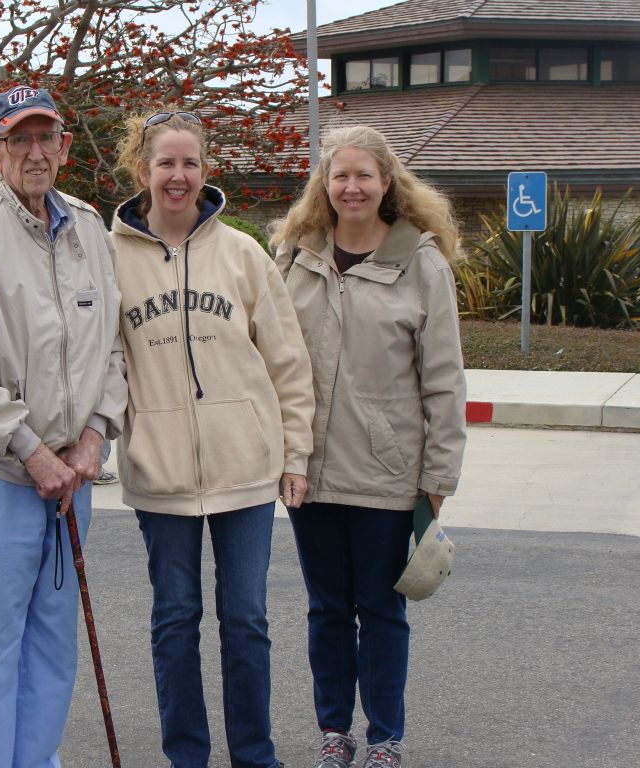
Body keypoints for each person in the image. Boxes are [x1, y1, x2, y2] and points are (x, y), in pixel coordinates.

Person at [0, 84, 127, 768]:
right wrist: (36, 454)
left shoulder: (91, 229)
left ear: (65, 147)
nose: (34, 152)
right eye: (19, 139)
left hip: (73, 482)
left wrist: (95, 434)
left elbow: (113, 352)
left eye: (47, 138)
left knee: (52, 654)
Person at [109, 110, 315, 768]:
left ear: (206, 169)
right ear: (142, 170)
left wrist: (295, 452)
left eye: (189, 163)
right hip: (161, 474)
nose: (178, 175)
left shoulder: (243, 255)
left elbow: (287, 362)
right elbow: (103, 361)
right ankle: (187, 757)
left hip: (245, 470)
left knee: (247, 622)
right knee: (175, 621)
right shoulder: (109, 258)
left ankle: (255, 756)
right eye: (165, 163)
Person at [268, 125, 467, 768]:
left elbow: (444, 381)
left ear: (387, 183)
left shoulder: (421, 262)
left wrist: (438, 479)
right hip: (308, 471)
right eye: (340, 175)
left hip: (388, 472)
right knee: (326, 609)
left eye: (364, 175)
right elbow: (265, 354)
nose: (351, 187)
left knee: (380, 612)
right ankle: (334, 732)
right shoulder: (295, 256)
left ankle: (385, 737)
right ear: (325, 184)